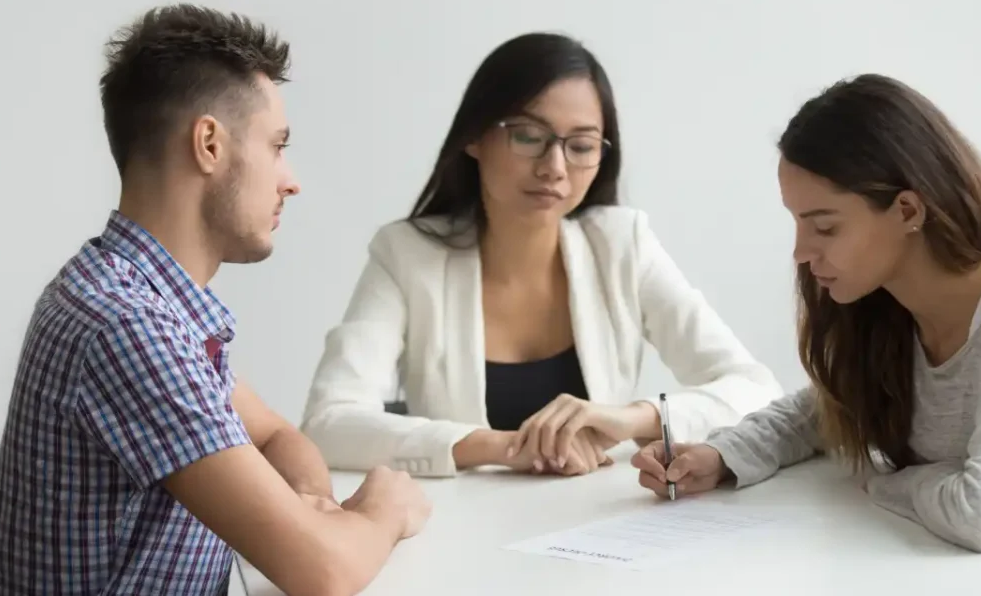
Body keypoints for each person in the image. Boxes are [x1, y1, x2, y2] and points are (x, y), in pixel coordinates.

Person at [630, 73, 981, 596]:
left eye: (824, 227)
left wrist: (888, 483)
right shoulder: (892, 316)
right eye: (796, 223)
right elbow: (821, 412)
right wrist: (721, 457)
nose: (801, 251)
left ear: (908, 209)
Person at [0, 5, 429, 596]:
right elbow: (326, 574)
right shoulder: (129, 326)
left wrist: (304, 508)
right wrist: (383, 509)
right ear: (210, 144)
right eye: (277, 146)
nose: (290, 179)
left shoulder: (127, 293)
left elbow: (275, 437)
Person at [300, 32, 782, 479]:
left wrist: (631, 418)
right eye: (529, 136)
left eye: (581, 145)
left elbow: (757, 389)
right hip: (456, 536)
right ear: (474, 136)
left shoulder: (621, 244)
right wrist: (505, 447)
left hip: (592, 530)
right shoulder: (407, 255)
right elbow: (329, 422)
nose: (554, 167)